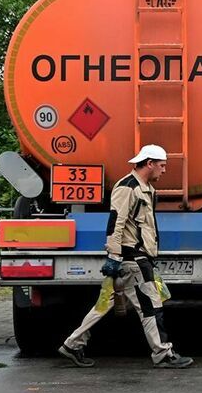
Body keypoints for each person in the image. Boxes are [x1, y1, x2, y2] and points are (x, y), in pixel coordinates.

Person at [58, 144, 193, 369]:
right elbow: (116, 222)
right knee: (150, 305)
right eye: (161, 165)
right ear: (149, 163)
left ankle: (72, 344)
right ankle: (162, 353)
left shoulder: (145, 188)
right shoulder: (127, 187)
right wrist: (113, 255)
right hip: (133, 259)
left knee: (105, 303)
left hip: (136, 257)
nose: (164, 170)